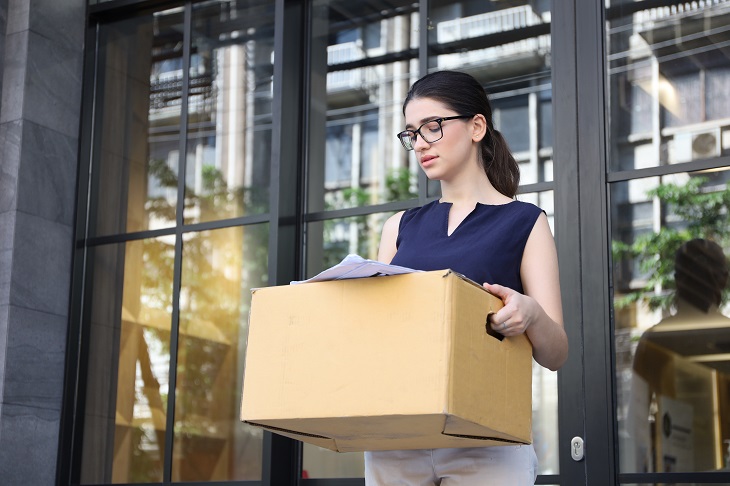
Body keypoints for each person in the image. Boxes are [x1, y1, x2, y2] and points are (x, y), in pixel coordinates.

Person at [365, 70, 568, 485]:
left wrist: (529, 313)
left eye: (432, 127)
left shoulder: (526, 222)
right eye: (411, 133)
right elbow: (377, 334)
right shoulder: (397, 227)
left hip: (487, 438)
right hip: (398, 433)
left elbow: (556, 354)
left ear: (477, 126)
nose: (420, 142)